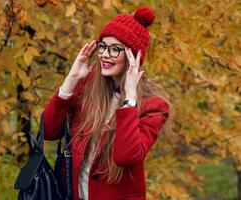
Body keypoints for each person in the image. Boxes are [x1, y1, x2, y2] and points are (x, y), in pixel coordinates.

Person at [42, 6, 172, 200]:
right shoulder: (88, 87)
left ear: (133, 56)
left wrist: (129, 99)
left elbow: (126, 156)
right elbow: (49, 131)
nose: (104, 54)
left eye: (115, 49)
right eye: (102, 46)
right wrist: (72, 78)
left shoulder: (153, 106)